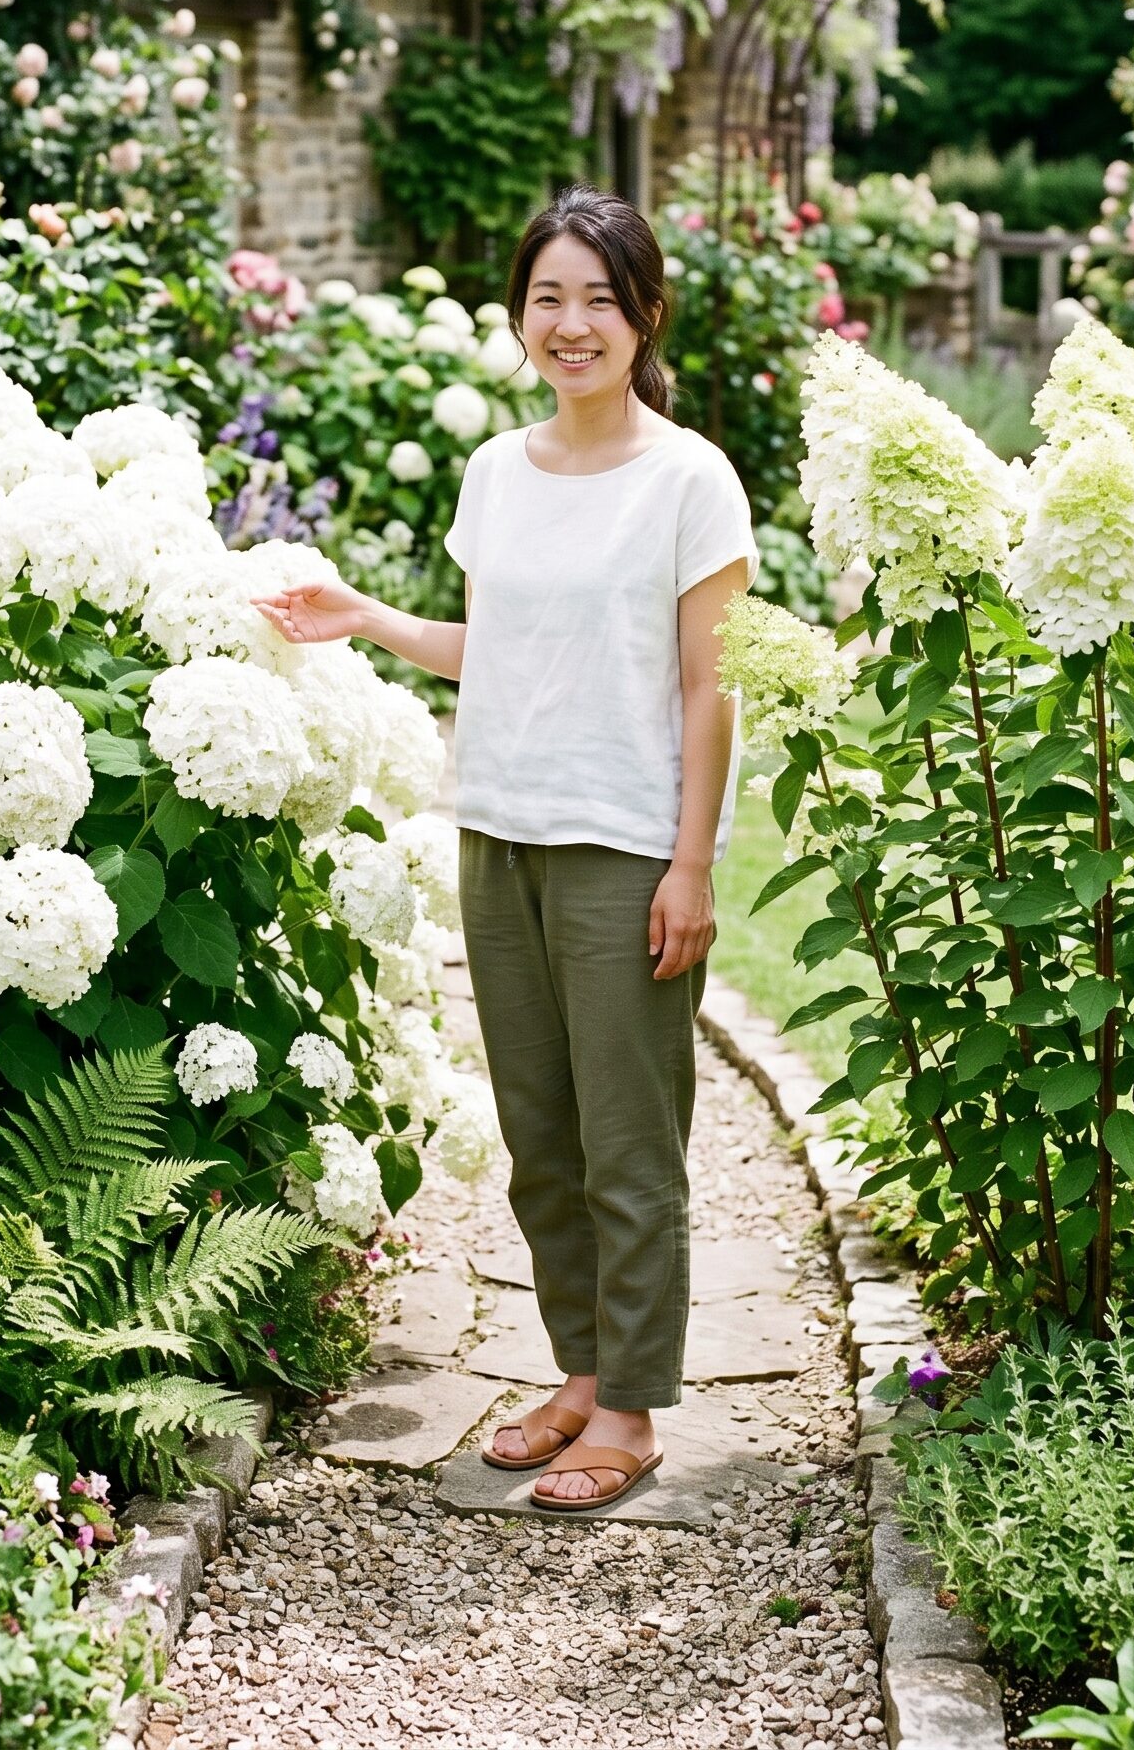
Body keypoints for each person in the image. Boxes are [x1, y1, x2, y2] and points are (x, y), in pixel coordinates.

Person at [253, 184, 757, 1513]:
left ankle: (635, 1414)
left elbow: (711, 687)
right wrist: (367, 618)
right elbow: (504, 651)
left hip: (622, 848)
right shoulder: (495, 475)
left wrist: (690, 863)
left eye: (599, 297)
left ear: (645, 313)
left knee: (628, 1146)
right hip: (503, 836)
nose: (572, 323)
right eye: (549, 297)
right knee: (541, 1138)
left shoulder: (691, 480)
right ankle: (581, 1375)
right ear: (520, 315)